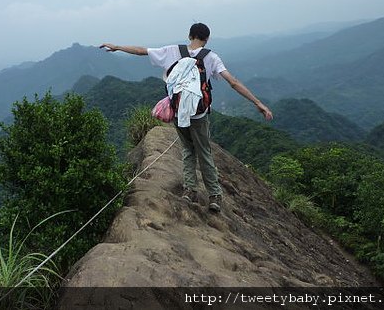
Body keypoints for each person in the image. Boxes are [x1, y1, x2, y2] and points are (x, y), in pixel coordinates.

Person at [100, 23, 273, 213]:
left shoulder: (173, 50)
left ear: (190, 36)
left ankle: (190, 191)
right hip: (199, 113)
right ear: (206, 39)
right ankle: (214, 195)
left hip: (178, 110)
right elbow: (233, 82)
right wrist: (258, 103)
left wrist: (117, 47)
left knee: (188, 150)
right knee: (204, 152)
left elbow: (142, 51)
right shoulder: (211, 57)